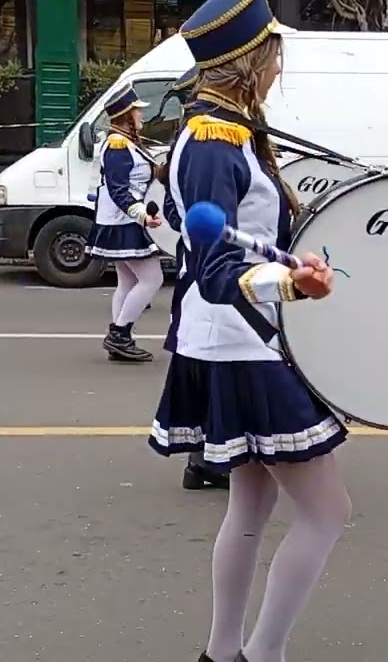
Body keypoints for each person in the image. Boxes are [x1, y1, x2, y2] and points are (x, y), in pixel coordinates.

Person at [146, 0, 343, 662]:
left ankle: (224, 653)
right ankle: (261, 654)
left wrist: (292, 258)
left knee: (252, 509)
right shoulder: (210, 142)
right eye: (275, 51)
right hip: (240, 345)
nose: (280, 64)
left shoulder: (228, 131)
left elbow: (224, 235)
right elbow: (212, 269)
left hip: (239, 340)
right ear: (252, 60)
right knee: (327, 512)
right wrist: (292, 284)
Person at [155, 66, 230, 490]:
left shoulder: (182, 145)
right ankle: (210, 460)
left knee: (202, 370)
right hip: (204, 275)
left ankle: (203, 461)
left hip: (193, 271)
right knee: (212, 370)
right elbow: (174, 211)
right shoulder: (201, 143)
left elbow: (171, 210)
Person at [86, 82, 166, 362]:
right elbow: (119, 190)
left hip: (120, 221)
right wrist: (142, 215)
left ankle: (120, 340)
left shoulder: (126, 142)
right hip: (125, 222)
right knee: (152, 278)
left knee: (128, 281)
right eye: (137, 112)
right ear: (126, 115)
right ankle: (119, 334)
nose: (141, 116)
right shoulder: (118, 145)